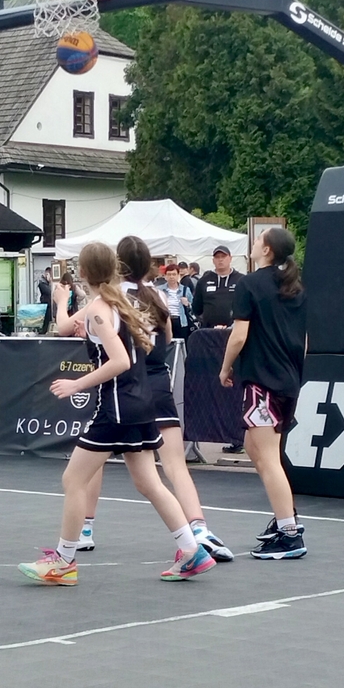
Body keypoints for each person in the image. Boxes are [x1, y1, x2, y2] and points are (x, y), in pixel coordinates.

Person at [18, 242, 213, 586]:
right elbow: (147, 344)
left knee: (73, 480)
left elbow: (120, 360)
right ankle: (191, 548)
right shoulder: (121, 302)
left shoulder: (98, 309)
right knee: (148, 482)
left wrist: (77, 383)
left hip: (117, 406)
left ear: (83, 272)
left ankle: (64, 560)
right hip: (141, 400)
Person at [77, 236, 233, 562]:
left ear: (117, 264)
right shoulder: (159, 294)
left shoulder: (111, 298)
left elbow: (79, 328)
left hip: (128, 387)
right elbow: (169, 337)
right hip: (159, 382)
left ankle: (85, 528)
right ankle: (199, 528)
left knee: (94, 461)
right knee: (173, 465)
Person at [218, 227, 308, 560]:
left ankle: (290, 533)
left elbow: (239, 335)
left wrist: (226, 367)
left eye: (258, 240)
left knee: (268, 457)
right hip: (287, 379)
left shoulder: (249, 285)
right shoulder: (295, 287)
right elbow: (304, 339)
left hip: (264, 380)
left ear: (267, 249)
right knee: (256, 449)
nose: (253, 244)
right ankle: (286, 515)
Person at [193, 246, 242, 329]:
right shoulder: (204, 280)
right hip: (209, 330)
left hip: (234, 330)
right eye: (217, 257)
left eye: (223, 256)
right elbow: (197, 308)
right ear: (213, 260)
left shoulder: (241, 280)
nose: (220, 259)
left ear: (230, 258)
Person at [161, 263, 195, 340]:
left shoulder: (185, 290)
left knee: (181, 343)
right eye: (169, 274)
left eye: (174, 274)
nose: (171, 277)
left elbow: (194, 307)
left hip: (181, 321)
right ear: (165, 276)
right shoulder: (160, 290)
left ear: (178, 275)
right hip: (165, 321)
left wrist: (188, 304)